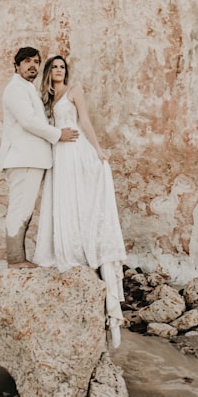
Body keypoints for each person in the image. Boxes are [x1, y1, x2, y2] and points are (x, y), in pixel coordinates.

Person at [32, 55, 127, 347]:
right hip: (59, 154)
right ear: (49, 72)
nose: (59, 71)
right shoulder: (46, 97)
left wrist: (98, 149)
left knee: (82, 197)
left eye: (62, 67)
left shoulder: (74, 91)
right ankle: (65, 245)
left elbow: (84, 120)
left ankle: (85, 248)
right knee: (62, 199)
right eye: (55, 67)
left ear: (66, 72)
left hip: (76, 150)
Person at [0, 47, 79, 268]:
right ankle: (15, 260)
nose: (32, 65)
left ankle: (19, 258)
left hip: (32, 160)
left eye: (36, 62)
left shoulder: (27, 88)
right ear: (16, 66)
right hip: (23, 159)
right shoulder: (15, 89)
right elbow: (28, 121)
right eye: (26, 61)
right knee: (20, 209)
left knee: (25, 209)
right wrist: (58, 134)